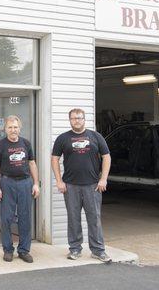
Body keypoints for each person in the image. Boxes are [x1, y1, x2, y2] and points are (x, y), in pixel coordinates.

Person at [51, 108, 112, 263]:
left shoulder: (95, 137)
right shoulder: (63, 138)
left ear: (84, 119)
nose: (76, 120)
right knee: (73, 219)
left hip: (93, 185)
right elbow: (54, 159)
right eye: (73, 118)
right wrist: (59, 180)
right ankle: (75, 249)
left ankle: (98, 250)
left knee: (94, 218)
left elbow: (106, 157)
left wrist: (103, 179)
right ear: (69, 120)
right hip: (70, 186)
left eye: (79, 118)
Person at [0, 115, 40, 263]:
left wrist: (36, 183)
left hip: (25, 183)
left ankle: (24, 250)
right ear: (5, 129)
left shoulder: (26, 143)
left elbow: (32, 164)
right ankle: (8, 250)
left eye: (15, 127)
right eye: (10, 127)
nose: (13, 130)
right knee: (6, 218)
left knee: (25, 218)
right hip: (7, 183)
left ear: (20, 128)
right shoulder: (0, 145)